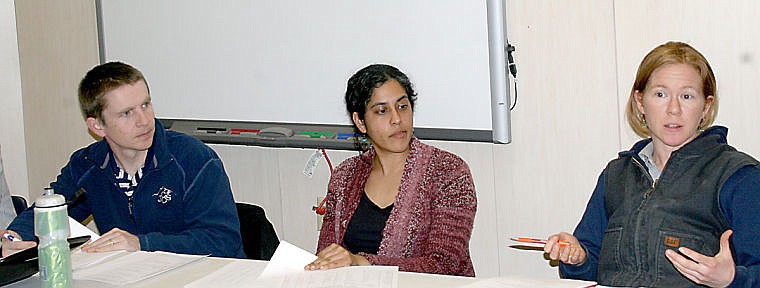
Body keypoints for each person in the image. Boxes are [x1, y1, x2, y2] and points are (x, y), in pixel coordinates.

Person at [544, 41, 760, 287]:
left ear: (706, 107)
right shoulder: (616, 175)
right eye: (660, 94)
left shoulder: (740, 177)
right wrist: (576, 258)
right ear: (640, 102)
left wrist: (732, 279)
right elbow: (590, 266)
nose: (673, 109)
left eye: (687, 96)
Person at [1, 62, 245, 258]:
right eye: (127, 113)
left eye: (145, 105)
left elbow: (222, 239)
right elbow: (47, 210)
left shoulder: (193, 158)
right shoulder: (87, 165)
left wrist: (142, 243)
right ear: (97, 126)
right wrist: (16, 236)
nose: (144, 120)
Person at [304, 64, 477, 276]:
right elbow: (327, 253)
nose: (397, 119)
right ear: (360, 122)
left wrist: (361, 263)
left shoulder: (448, 172)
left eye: (403, 106)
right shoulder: (344, 176)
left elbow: (442, 266)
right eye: (382, 111)